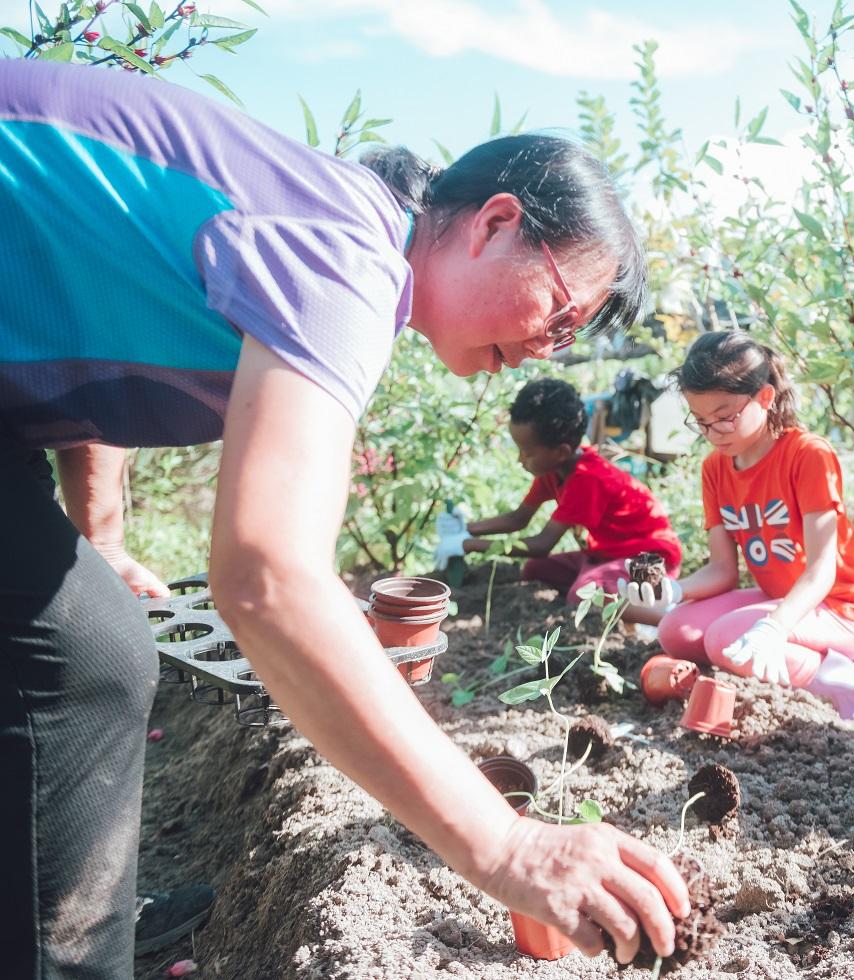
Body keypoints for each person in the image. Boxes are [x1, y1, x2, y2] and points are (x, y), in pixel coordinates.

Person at [0, 59, 687, 977]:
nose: (540, 352)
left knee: (87, 643)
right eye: (561, 317)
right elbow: (269, 577)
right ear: (495, 224)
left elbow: (75, 292)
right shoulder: (347, 252)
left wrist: (104, 538)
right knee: (81, 658)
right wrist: (508, 847)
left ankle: (57, 911)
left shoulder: (322, 220)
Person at [620, 331, 854, 736]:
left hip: (843, 607)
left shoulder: (807, 455)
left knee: (724, 638)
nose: (714, 432)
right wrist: (673, 591)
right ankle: (740, 676)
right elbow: (723, 571)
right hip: (778, 598)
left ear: (764, 397)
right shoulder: (715, 469)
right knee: (676, 629)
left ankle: (848, 686)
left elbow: (821, 572)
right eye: (702, 421)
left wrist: (774, 626)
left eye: (726, 416)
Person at [433, 378, 682, 604]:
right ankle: (601, 581)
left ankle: (657, 608)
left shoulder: (587, 479)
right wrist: (466, 527)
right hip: (604, 554)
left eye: (528, 453)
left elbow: (542, 544)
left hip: (647, 562)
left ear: (561, 451)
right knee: (535, 570)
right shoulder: (554, 469)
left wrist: (467, 544)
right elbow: (518, 519)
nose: (521, 460)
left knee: (581, 596)